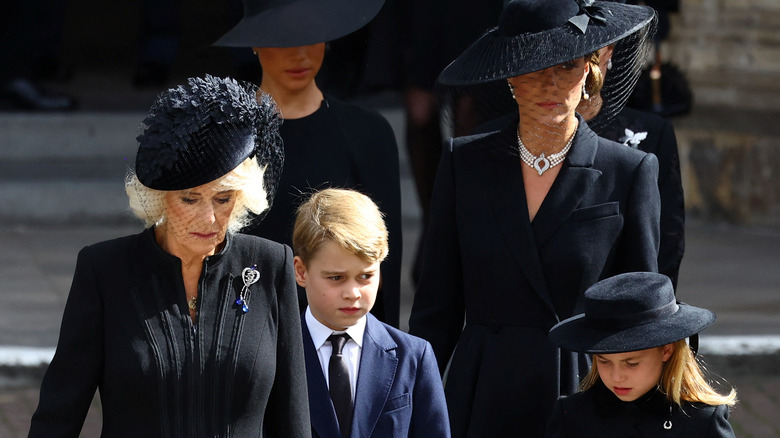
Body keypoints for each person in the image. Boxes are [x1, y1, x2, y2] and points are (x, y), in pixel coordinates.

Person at [408, 0, 660, 436]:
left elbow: (642, 318)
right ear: (509, 75)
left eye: (564, 65)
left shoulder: (629, 172)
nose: (549, 82)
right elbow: (436, 310)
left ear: (588, 70)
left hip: (582, 394)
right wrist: (413, 409)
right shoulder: (463, 163)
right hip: (483, 391)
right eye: (531, 65)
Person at [28, 75, 311, 437]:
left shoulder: (272, 266)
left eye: (223, 198)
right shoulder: (104, 271)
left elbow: (292, 420)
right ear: (159, 198)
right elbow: (58, 416)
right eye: (190, 199)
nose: (208, 218)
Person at [214, 0, 404, 328]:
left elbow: (384, 264)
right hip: (241, 334)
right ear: (255, 42)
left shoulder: (368, 133)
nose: (299, 54)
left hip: (336, 341)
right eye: (284, 37)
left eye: (310, 36)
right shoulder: (221, 137)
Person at [292, 188, 450, 438]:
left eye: (365, 276)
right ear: (301, 272)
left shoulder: (414, 356)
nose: (353, 292)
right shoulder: (276, 354)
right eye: (336, 278)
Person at [546, 272, 737, 437]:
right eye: (604, 362)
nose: (617, 377)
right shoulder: (572, 416)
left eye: (631, 363)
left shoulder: (701, 421)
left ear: (667, 350)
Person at [578, 39, 685, 290]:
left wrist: (652, 312)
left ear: (609, 51)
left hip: (618, 303)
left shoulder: (650, 132)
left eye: (592, 50)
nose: (581, 65)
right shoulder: (501, 138)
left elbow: (666, 238)